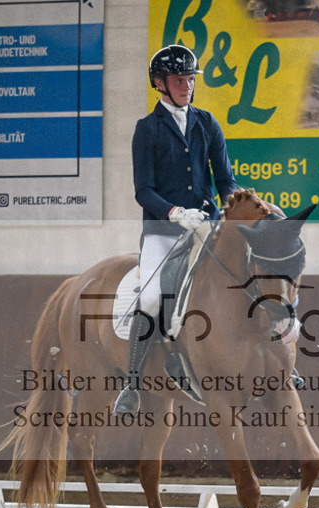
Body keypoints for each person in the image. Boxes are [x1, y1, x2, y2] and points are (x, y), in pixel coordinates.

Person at [113, 44, 239, 415]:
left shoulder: (207, 122)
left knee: (245, 276)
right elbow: (143, 191)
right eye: (178, 80)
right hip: (162, 230)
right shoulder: (147, 130)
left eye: (189, 79)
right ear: (160, 84)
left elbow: (226, 180)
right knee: (151, 298)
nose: (186, 86)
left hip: (206, 225)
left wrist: (233, 206)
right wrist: (173, 213)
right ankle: (132, 384)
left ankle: (282, 363)